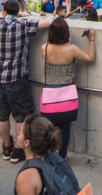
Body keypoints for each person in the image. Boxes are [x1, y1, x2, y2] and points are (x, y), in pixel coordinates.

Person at [0, 0, 55, 163]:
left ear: (4, 12)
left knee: (2, 115)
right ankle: (19, 149)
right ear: (17, 12)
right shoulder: (22, 25)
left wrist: (16, 13)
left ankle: (6, 146)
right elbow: (48, 21)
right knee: (21, 115)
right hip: (16, 78)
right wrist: (24, 14)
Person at [40, 18, 96, 158]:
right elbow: (90, 58)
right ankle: (62, 155)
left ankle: (50, 155)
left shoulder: (44, 48)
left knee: (49, 130)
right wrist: (91, 39)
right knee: (64, 130)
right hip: (67, 99)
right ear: (66, 33)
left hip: (48, 99)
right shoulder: (71, 49)